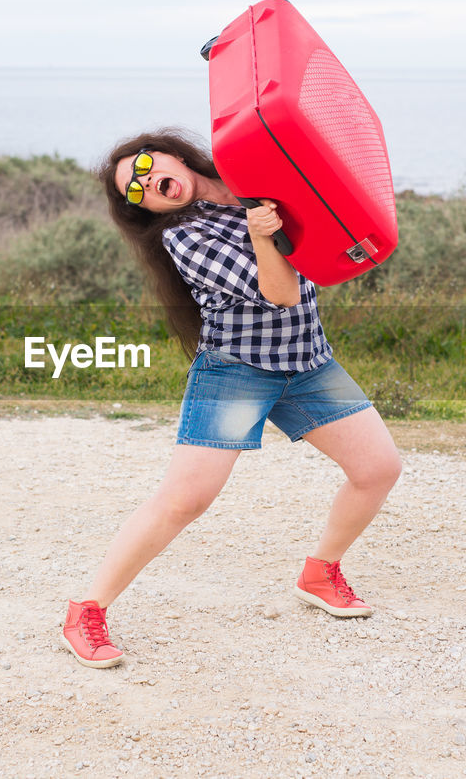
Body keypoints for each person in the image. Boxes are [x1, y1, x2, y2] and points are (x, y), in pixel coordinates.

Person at [62, 128, 402, 668]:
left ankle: (320, 572)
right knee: (183, 502)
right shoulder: (184, 237)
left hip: (307, 362)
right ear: (144, 209)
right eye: (136, 190)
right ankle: (86, 611)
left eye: (147, 165)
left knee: (378, 468)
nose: (149, 182)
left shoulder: (249, 182)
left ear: (173, 152)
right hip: (236, 374)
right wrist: (263, 237)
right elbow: (283, 291)